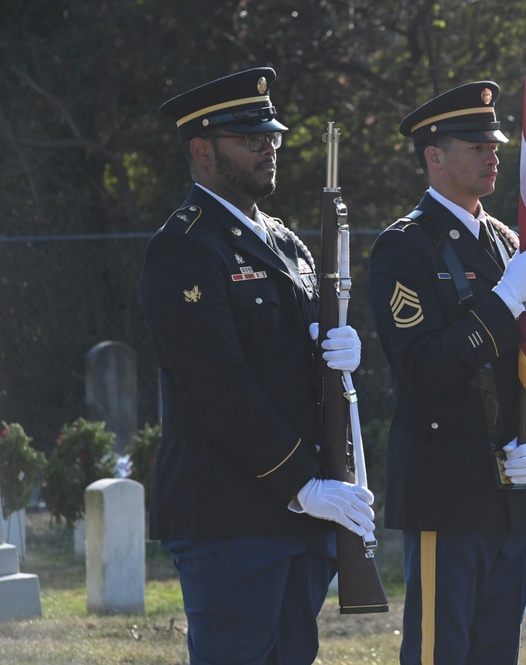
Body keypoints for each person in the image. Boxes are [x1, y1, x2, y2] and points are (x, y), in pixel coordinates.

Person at [140, 67, 377, 665]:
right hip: (231, 519)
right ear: (201, 149)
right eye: (249, 139)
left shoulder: (287, 243)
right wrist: (303, 483)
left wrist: (343, 353)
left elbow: (296, 368)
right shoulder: (186, 247)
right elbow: (218, 385)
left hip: (296, 518)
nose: (268, 147)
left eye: (270, 135)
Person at [366, 81, 526, 664]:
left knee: (496, 652)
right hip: (445, 487)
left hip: (510, 490)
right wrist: (501, 303)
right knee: (439, 653)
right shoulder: (406, 247)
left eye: (493, 143)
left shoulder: (506, 241)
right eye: (474, 144)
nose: (491, 154)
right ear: (434, 156)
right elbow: (422, 369)